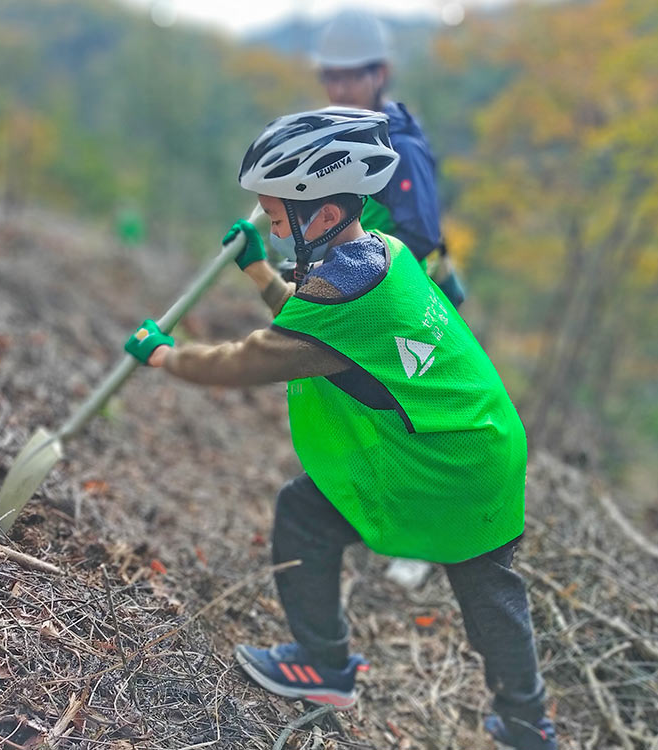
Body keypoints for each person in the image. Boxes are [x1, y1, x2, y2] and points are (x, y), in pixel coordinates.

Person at [124, 109, 556, 750]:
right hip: (479, 440)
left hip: (446, 463)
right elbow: (318, 333)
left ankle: (323, 665)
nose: (271, 230)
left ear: (321, 216)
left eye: (276, 220)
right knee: (490, 589)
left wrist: (168, 357)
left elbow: (260, 356)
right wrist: (262, 274)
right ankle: (528, 724)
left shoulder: (342, 295)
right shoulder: (383, 254)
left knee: (305, 515)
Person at [313, 9, 466, 308]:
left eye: (351, 77)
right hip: (361, 293)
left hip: (396, 305)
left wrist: (347, 271)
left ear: (379, 74)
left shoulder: (401, 147)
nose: (339, 89)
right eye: (331, 77)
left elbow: (419, 238)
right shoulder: (345, 136)